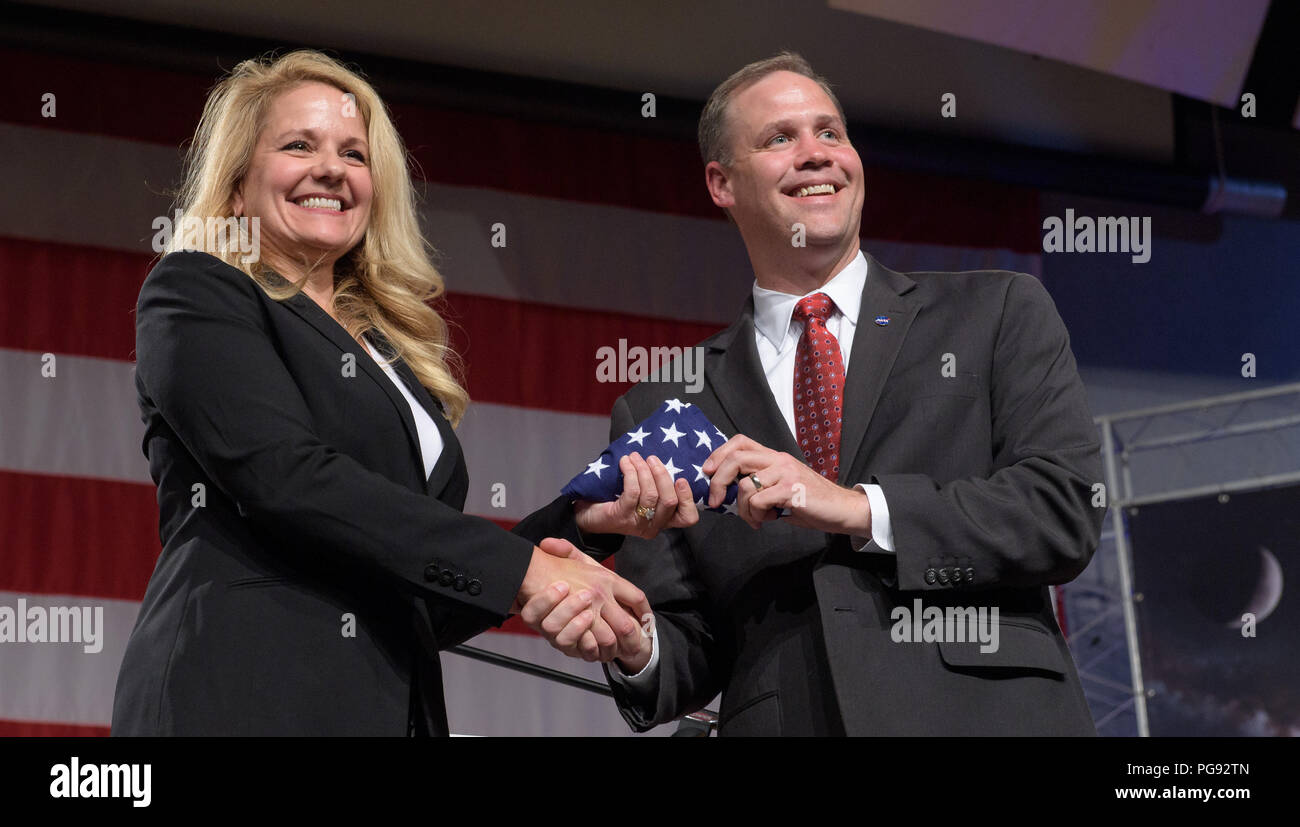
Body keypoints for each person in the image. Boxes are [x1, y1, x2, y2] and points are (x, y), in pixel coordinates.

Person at [111, 50, 696, 736]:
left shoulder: (384, 351)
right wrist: (524, 570)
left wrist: (576, 526)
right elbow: (288, 478)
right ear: (238, 186)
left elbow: (414, 583)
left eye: (354, 154)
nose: (332, 168)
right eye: (299, 145)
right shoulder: (197, 290)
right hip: (241, 696)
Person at [522, 52, 1105, 735]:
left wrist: (857, 507)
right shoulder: (664, 403)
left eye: (831, 133)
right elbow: (692, 643)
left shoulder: (997, 311)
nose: (816, 155)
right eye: (780, 139)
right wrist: (636, 641)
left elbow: (1062, 509)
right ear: (721, 182)